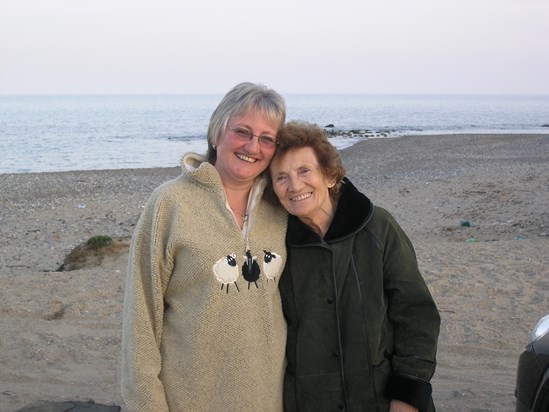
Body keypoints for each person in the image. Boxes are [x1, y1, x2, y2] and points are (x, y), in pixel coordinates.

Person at [121, 82, 289, 411]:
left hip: (269, 400)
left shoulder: (281, 207)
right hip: (189, 399)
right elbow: (141, 316)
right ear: (217, 132)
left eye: (267, 138)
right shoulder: (171, 203)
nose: (253, 146)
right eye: (242, 131)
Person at [267, 120, 440, 412]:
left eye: (304, 171)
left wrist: (408, 394)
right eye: (281, 177)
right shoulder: (275, 245)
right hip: (310, 401)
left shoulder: (378, 227)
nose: (294, 186)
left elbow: (416, 313)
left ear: (331, 176)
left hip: (382, 399)